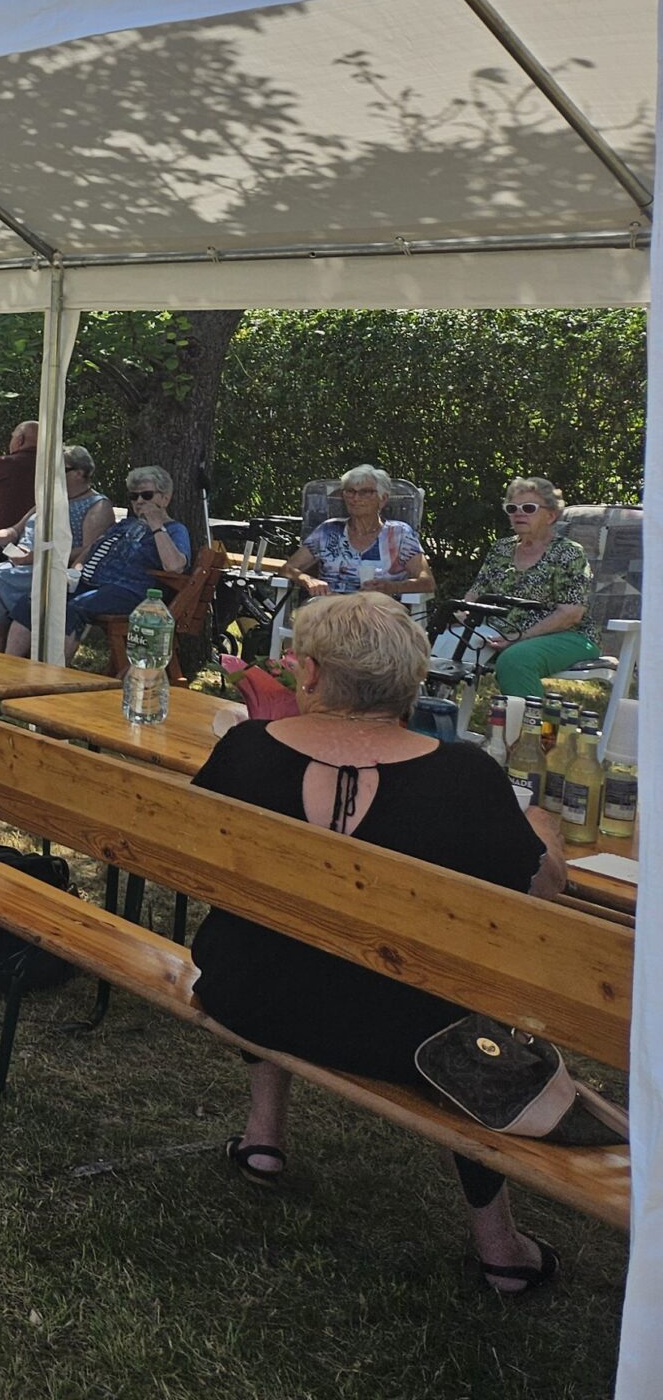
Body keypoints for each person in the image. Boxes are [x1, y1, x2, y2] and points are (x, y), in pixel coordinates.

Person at [189, 592, 568, 1296]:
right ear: (412, 682)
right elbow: (542, 897)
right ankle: (500, 1248)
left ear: (309, 674)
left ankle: (264, 1137)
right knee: (469, 1007)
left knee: (275, 929)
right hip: (409, 1039)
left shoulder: (243, 749)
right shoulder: (464, 778)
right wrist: (541, 827)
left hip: (247, 993)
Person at [2, 463, 188, 658]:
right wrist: (75, 570)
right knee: (36, 600)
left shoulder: (175, 530)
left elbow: (175, 566)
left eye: (146, 495)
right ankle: (9, 663)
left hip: (130, 590)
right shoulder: (125, 525)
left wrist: (157, 525)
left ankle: (51, 672)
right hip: (91, 583)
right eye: (134, 496)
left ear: (165, 498)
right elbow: (94, 547)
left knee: (74, 609)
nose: (139, 501)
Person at [0, 446, 109, 647]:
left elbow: (90, 550)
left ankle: (1, 646)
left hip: (49, 570)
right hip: (17, 564)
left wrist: (38, 556)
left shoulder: (96, 505)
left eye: (59, 470)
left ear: (79, 473)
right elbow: (14, 531)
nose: (52, 475)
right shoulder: (48, 500)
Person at [453, 476, 595, 699]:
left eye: (528, 508)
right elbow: (475, 594)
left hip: (567, 635)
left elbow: (571, 614)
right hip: (500, 633)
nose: (518, 513)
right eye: (512, 508)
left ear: (550, 515)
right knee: (434, 644)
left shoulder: (568, 553)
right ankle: (433, 719)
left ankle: (533, 730)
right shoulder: (501, 549)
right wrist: (462, 614)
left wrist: (519, 637)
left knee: (515, 659)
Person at [280, 464, 432, 599]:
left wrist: (392, 587)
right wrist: (307, 580)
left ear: (383, 499)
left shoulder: (399, 534)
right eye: (350, 491)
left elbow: (427, 582)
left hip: (378, 609)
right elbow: (288, 568)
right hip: (331, 605)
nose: (355, 498)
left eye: (365, 492)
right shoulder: (328, 530)